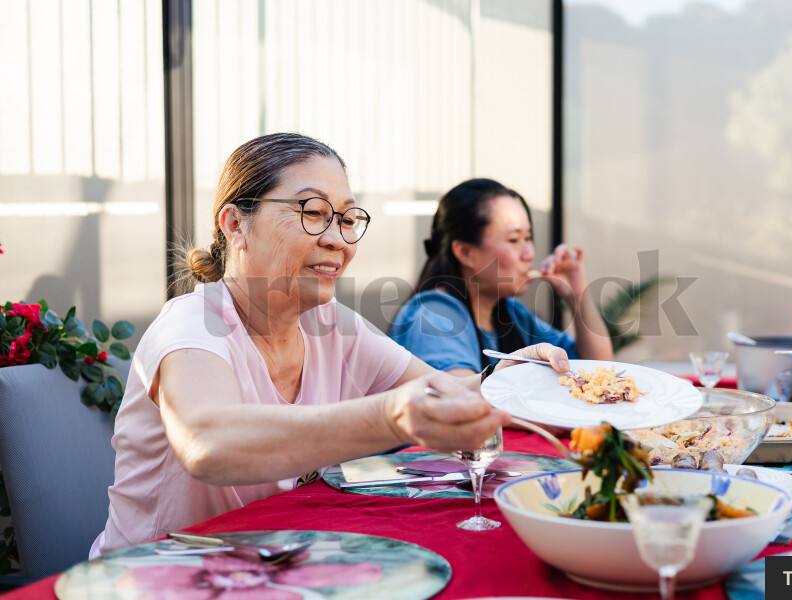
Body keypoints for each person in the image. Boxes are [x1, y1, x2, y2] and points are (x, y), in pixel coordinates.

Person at [91, 134, 570, 556]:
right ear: (235, 224)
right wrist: (389, 417)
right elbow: (208, 444)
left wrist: (506, 381)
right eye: (315, 213)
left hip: (270, 565)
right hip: (155, 577)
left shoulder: (329, 324)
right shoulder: (192, 324)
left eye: (347, 219)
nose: (339, 240)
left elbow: (444, 389)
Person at [389, 178, 613, 375]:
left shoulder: (511, 313)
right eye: (514, 240)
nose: (529, 253)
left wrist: (576, 292)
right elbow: (461, 403)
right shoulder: (433, 314)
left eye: (528, 237)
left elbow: (597, 367)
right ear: (465, 252)